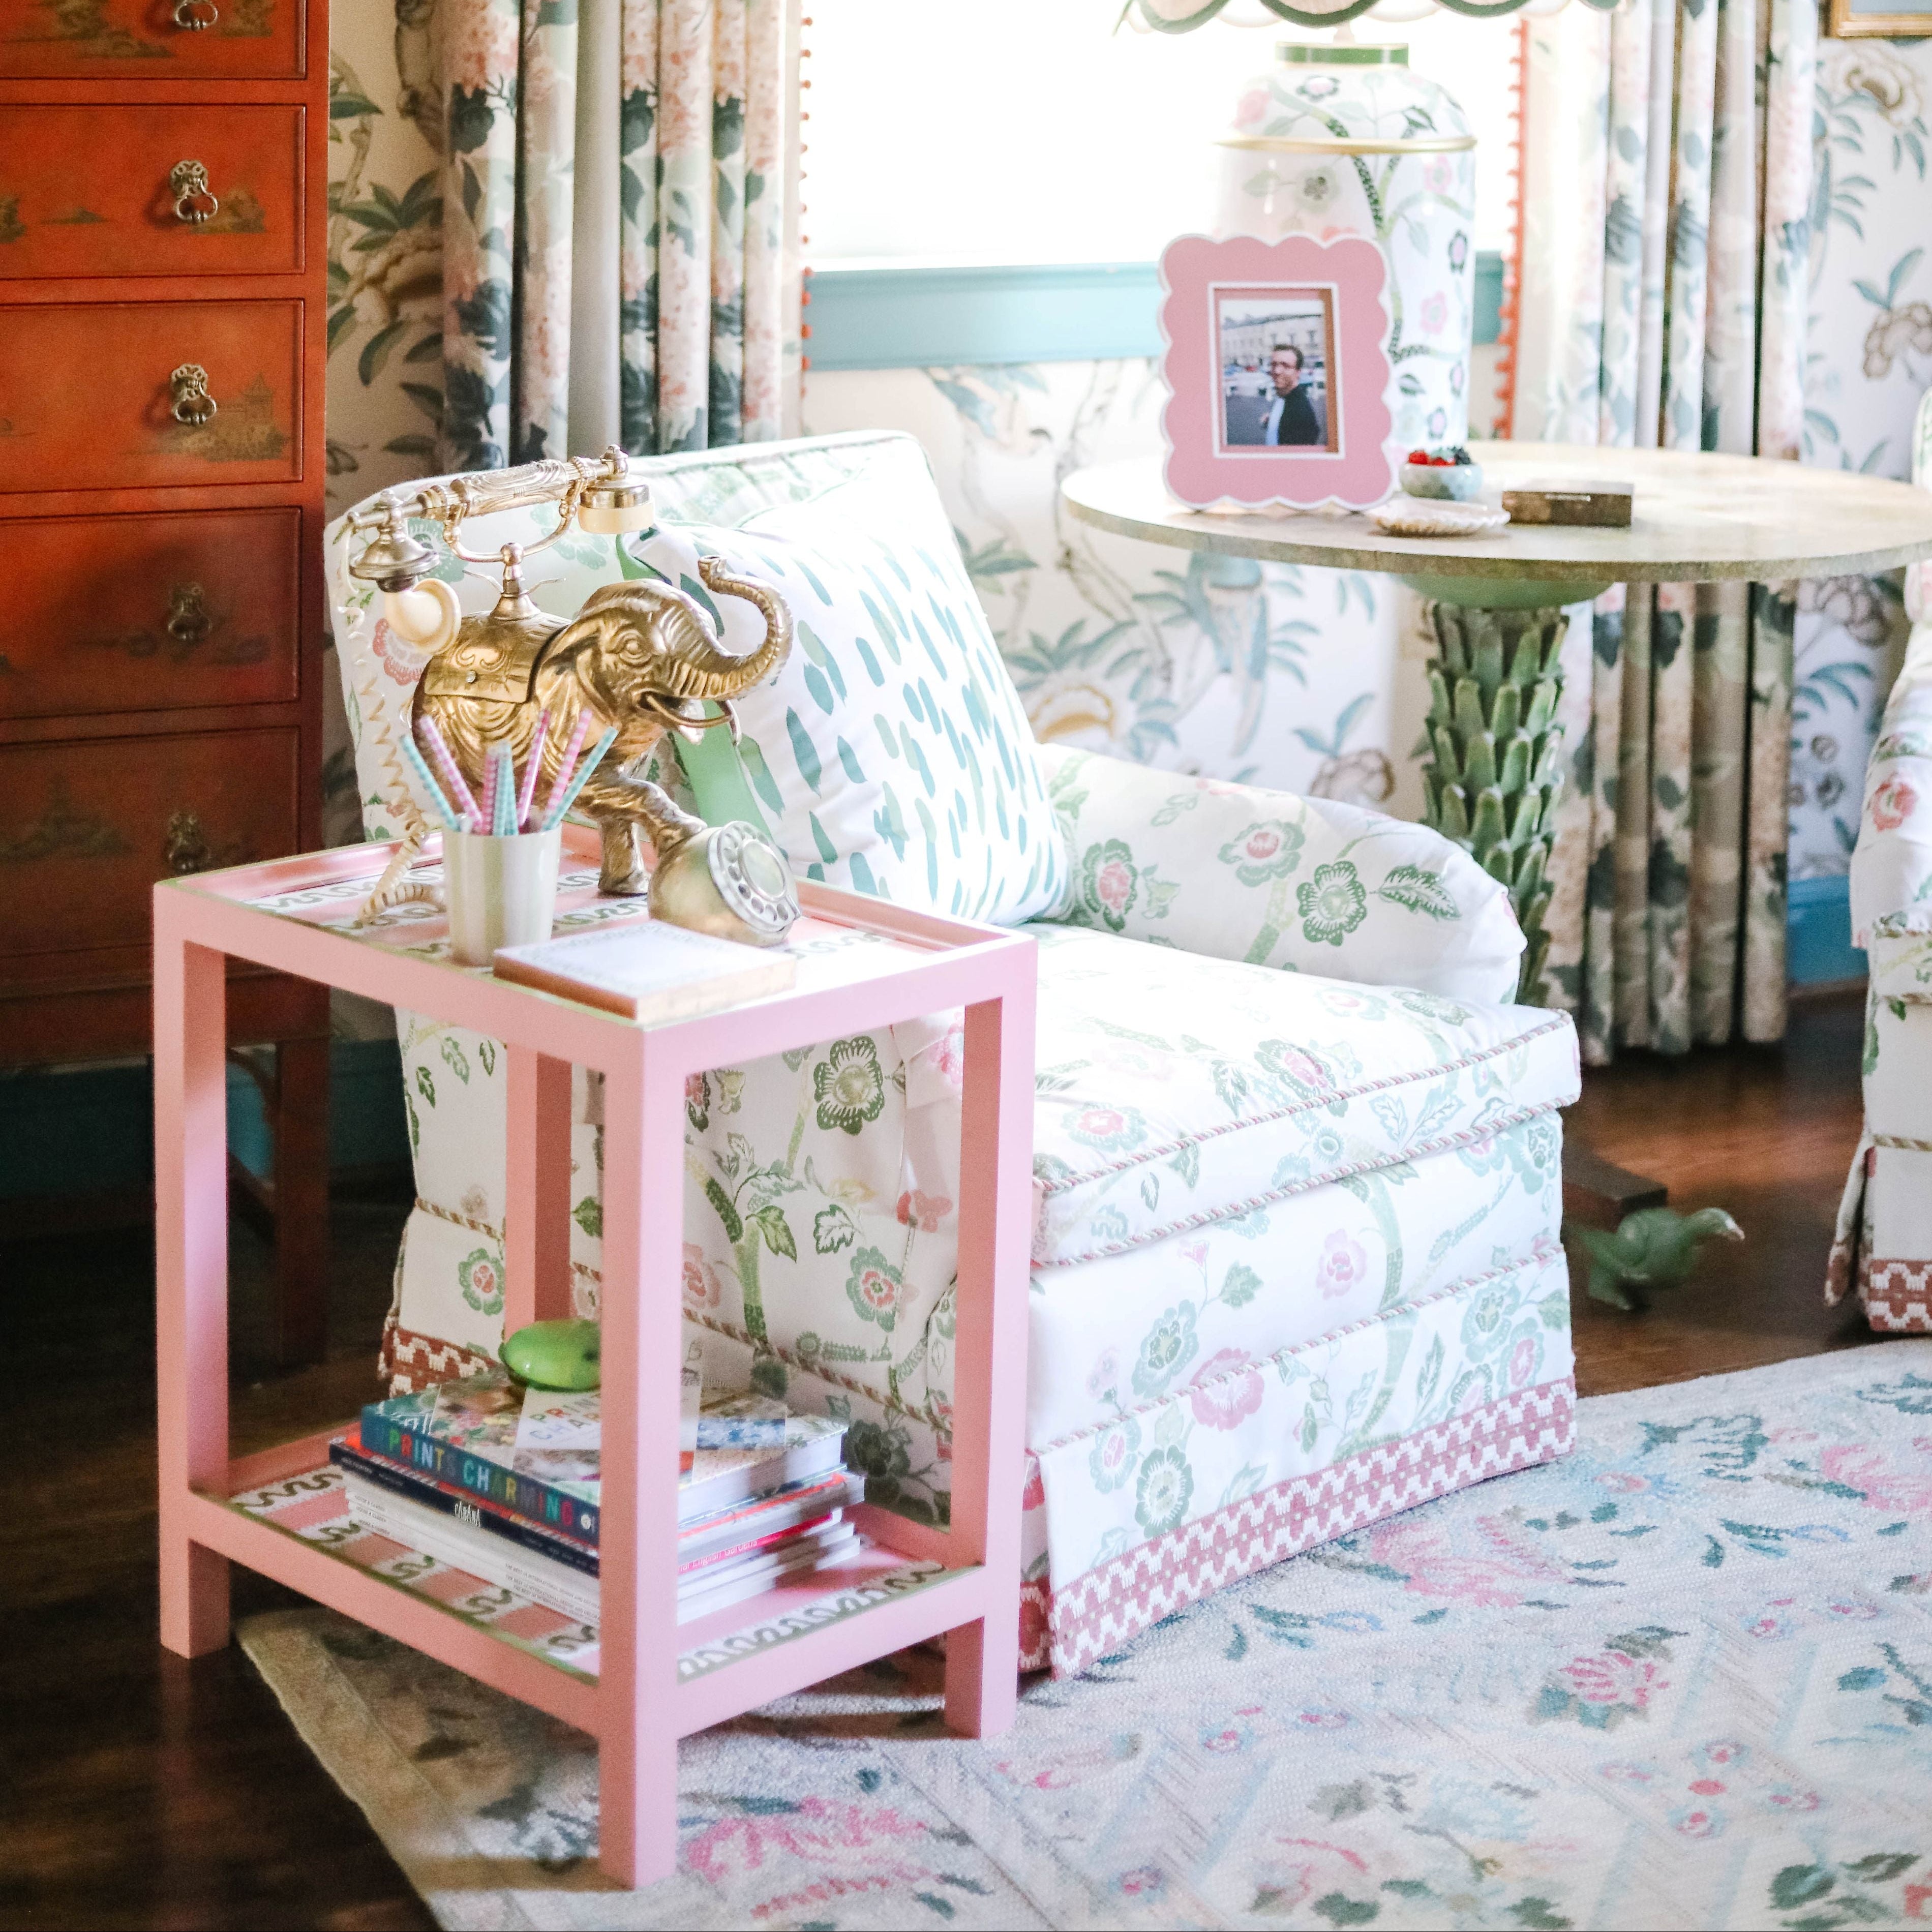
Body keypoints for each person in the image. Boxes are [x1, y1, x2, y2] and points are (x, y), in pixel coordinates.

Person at [1223, 342, 1327, 447]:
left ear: (1298, 372)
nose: (1277, 371)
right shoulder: (1285, 397)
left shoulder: (1301, 412)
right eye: (1274, 365)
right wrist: (1273, 420)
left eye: (1286, 366)